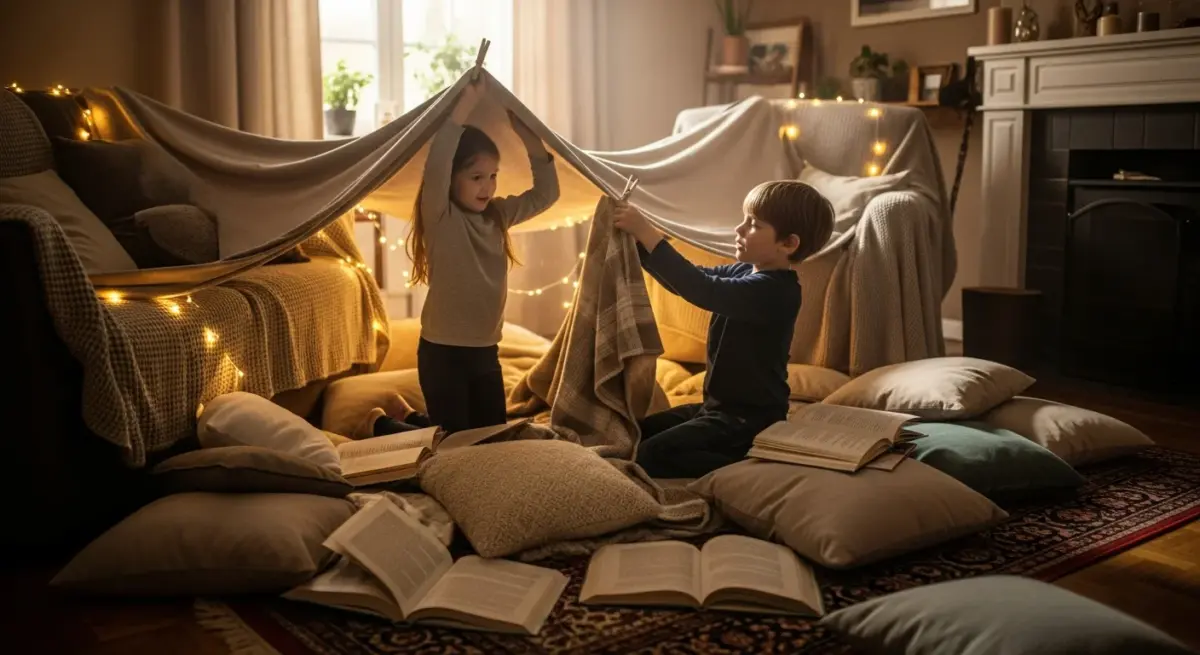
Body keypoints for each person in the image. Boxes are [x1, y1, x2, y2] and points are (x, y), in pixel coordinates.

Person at [611, 181, 834, 479]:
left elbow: (702, 289)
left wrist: (647, 234)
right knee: (634, 433)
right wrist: (639, 246)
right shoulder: (744, 271)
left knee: (649, 456)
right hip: (717, 407)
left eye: (753, 224)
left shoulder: (774, 292)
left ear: (788, 244)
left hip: (748, 418)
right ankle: (732, 452)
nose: (739, 230)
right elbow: (689, 279)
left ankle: (748, 465)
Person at [403, 77, 560, 434]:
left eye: (492, 176)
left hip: (485, 353)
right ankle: (384, 424)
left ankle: (412, 421)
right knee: (455, 444)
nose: (487, 186)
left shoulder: (498, 216)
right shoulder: (440, 216)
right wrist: (464, 105)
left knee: (492, 438)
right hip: (442, 354)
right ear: (451, 179)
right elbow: (438, 160)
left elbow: (546, 194)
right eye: (476, 177)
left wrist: (528, 136)